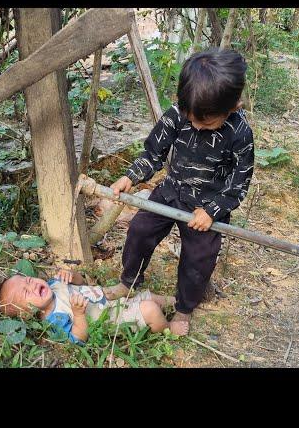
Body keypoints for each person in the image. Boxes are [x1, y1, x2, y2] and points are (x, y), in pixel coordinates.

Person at [103, 48, 254, 336]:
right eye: (192, 117)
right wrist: (130, 177)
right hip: (171, 192)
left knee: (198, 258)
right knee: (139, 230)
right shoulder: (178, 113)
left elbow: (238, 184)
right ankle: (129, 282)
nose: (196, 125)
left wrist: (212, 211)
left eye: (206, 122)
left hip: (207, 209)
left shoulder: (240, 132)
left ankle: (184, 309)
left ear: (233, 106)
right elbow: (153, 153)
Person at [0, 269, 174, 344]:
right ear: (27, 314)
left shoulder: (52, 284)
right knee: (150, 309)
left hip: (112, 300)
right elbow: (78, 338)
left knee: (151, 297)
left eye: (28, 280)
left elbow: (81, 282)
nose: (33, 285)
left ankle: (180, 303)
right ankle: (168, 329)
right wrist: (79, 314)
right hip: (113, 318)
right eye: (27, 293)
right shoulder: (53, 318)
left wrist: (72, 275)